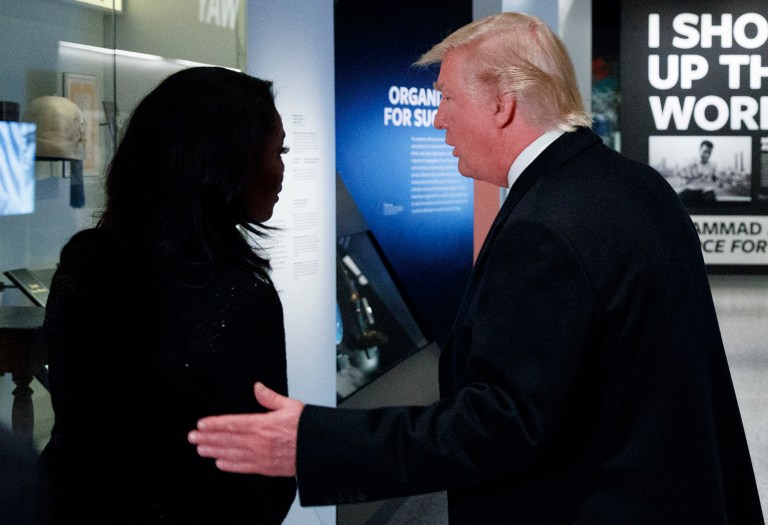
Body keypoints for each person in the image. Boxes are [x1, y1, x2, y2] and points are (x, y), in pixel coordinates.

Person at [188, 13, 765, 525]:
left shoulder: (546, 226)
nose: (438, 121)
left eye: (446, 99)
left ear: (502, 103)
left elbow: (503, 425)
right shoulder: (634, 185)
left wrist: (315, 442)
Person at [40, 66, 296, 524]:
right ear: (229, 161)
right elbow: (261, 476)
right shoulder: (236, 293)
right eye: (278, 152)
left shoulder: (85, 262)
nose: (281, 170)